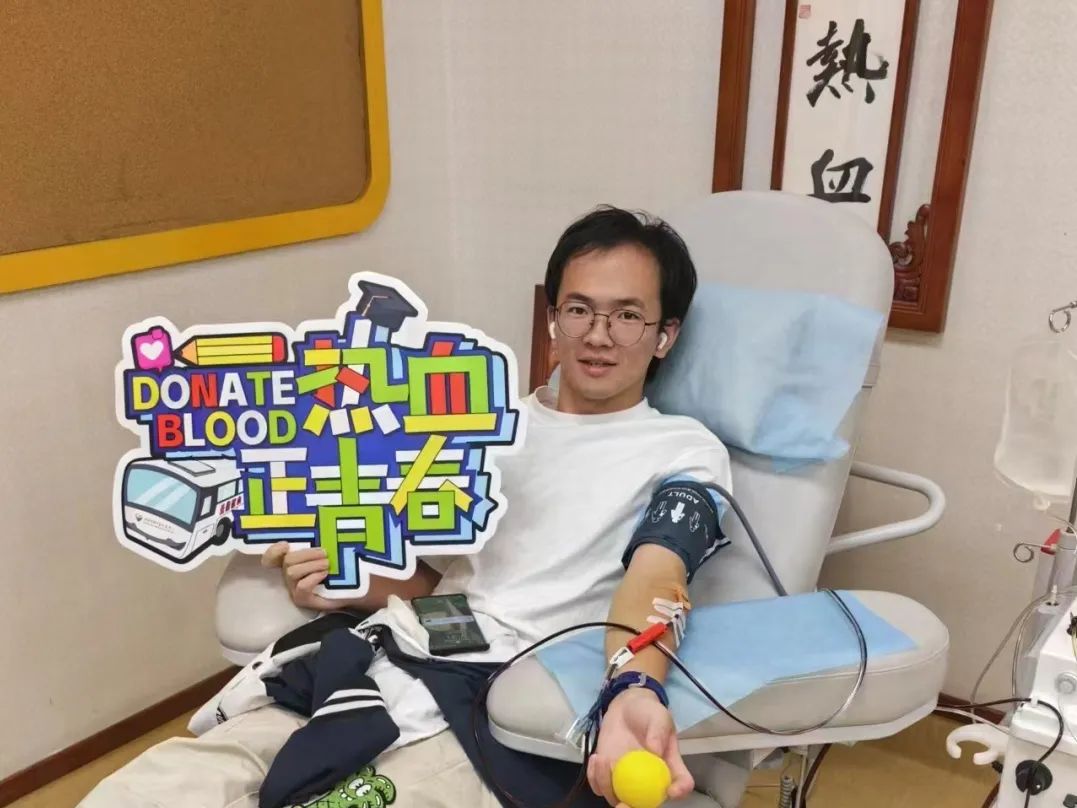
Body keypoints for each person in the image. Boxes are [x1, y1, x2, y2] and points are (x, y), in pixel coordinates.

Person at [80, 206, 732, 808]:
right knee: (146, 791)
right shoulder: (478, 425)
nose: (599, 336)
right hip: (389, 660)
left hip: (501, 706)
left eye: (627, 316)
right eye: (580, 310)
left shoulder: (680, 449)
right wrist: (351, 577)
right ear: (552, 320)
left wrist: (633, 685)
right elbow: (450, 590)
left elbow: (660, 572)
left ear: (664, 336)